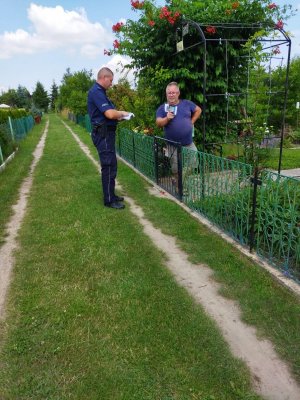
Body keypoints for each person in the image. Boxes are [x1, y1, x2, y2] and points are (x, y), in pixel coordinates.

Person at [87, 67, 129, 209]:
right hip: (103, 135)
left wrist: (121, 118)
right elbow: (110, 114)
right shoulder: (96, 92)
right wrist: (122, 113)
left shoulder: (102, 93)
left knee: (112, 165)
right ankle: (109, 200)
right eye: (110, 80)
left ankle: (111, 194)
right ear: (104, 78)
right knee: (108, 165)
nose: (111, 83)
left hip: (107, 133)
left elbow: (110, 116)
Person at [156, 82, 202, 174]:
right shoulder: (163, 108)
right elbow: (158, 123)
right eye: (169, 93)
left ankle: (181, 182)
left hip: (188, 143)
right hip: (172, 145)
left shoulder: (187, 103)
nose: (171, 95)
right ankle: (178, 185)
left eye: (174, 92)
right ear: (166, 94)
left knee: (192, 165)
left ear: (178, 93)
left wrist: (192, 121)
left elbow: (198, 110)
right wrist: (167, 119)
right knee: (175, 170)